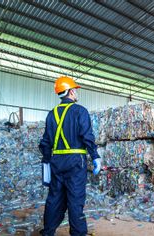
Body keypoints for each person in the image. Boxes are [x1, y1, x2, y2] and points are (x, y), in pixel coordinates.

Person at [39, 76, 101, 236]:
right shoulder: (80, 111)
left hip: (56, 162)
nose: (76, 92)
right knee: (75, 199)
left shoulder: (51, 114)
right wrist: (95, 156)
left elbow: (45, 142)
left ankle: (48, 232)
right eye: (75, 89)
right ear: (71, 91)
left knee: (54, 198)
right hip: (75, 162)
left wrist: (47, 161)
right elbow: (87, 136)